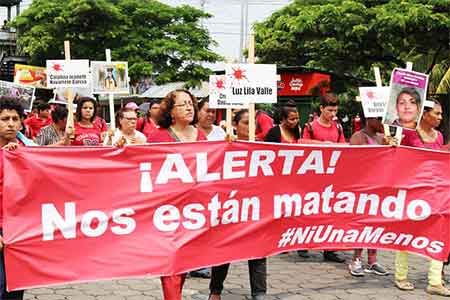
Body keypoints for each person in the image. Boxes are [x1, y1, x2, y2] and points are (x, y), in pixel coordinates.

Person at [147, 89, 206, 300]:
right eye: (183, 104)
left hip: (194, 212)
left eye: (191, 103)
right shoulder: (158, 137)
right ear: (171, 111)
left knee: (185, 263)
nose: (190, 107)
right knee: (171, 263)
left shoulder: (202, 136)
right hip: (167, 212)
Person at [209, 109, 267, 300]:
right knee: (225, 251)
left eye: (254, 123)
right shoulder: (225, 145)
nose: (251, 127)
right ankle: (215, 291)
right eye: (245, 123)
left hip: (255, 206)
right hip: (231, 206)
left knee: (258, 250)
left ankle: (259, 292)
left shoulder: (264, 147)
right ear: (234, 125)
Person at [394, 99, 449, 296]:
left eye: (441, 114)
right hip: (412, 190)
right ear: (424, 114)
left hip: (435, 191)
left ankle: (435, 281)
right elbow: (396, 155)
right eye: (437, 113)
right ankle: (401, 276)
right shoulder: (409, 133)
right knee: (407, 233)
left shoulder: (440, 136)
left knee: (439, 233)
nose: (440, 118)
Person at [300, 92, 346, 263]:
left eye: (335, 110)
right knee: (310, 210)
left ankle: (329, 248)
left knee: (330, 212)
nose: (333, 114)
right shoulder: (310, 127)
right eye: (330, 110)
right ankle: (303, 243)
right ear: (321, 109)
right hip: (313, 176)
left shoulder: (338, 127)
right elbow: (302, 143)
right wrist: (323, 145)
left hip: (333, 177)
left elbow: (344, 147)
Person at [0, 96, 37, 300]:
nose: (11, 123)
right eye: (5, 119)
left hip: (20, 229)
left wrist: (116, 148)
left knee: (14, 288)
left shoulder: (29, 151)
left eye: (15, 118)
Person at [348, 115, 391, 277]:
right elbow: (353, 163)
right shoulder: (358, 137)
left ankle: (372, 260)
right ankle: (356, 259)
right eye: (378, 119)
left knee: (376, 224)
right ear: (369, 119)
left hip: (380, 187)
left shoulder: (382, 137)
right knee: (362, 224)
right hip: (363, 188)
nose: (381, 122)